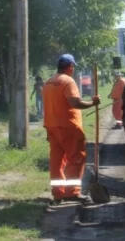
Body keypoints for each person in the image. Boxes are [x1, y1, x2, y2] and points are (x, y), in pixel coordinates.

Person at [43, 54, 100, 204]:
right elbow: (75, 103)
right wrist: (93, 103)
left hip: (52, 126)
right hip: (69, 126)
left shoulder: (49, 81)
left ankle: (58, 193)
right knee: (76, 158)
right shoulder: (68, 82)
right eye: (73, 67)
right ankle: (72, 192)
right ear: (70, 67)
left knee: (57, 161)